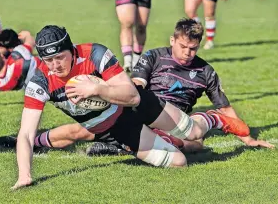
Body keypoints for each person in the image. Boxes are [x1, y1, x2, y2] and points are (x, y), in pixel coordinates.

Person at [11, 25, 249, 190]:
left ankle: (215, 119)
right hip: (117, 128)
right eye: (48, 61)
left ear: (71, 50)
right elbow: (26, 133)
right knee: (178, 162)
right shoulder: (40, 81)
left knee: (194, 132)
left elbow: (132, 97)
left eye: (60, 57)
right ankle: (168, 139)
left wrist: (97, 90)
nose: (55, 65)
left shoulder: (95, 54)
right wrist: (25, 175)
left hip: (139, 106)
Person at [33, 19, 273, 155]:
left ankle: (127, 145)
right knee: (84, 130)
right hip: (147, 108)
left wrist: (248, 138)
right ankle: (34, 141)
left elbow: (225, 106)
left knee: (196, 145)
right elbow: (136, 85)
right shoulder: (154, 56)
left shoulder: (206, 72)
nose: (188, 53)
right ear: (172, 40)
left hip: (175, 118)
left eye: (193, 49)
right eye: (183, 47)